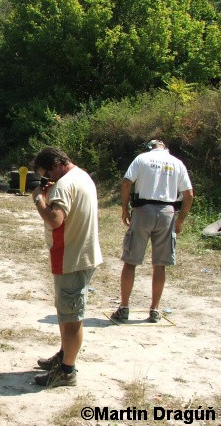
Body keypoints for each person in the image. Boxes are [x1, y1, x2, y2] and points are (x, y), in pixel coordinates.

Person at [31, 147, 102, 388]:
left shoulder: (63, 185)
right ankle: (64, 356)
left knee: (71, 317)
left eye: (47, 173)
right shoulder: (82, 176)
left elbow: (55, 219)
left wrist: (39, 199)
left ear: (56, 165)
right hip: (82, 254)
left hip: (71, 258)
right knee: (66, 311)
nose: (48, 179)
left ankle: (67, 371)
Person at [111, 140, 193, 323]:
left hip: (143, 210)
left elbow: (126, 183)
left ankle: (124, 307)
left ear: (149, 148)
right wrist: (180, 220)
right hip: (167, 213)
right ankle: (154, 310)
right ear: (165, 148)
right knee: (160, 264)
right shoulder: (177, 162)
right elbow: (189, 194)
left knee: (131, 261)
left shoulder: (142, 158)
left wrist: (125, 208)